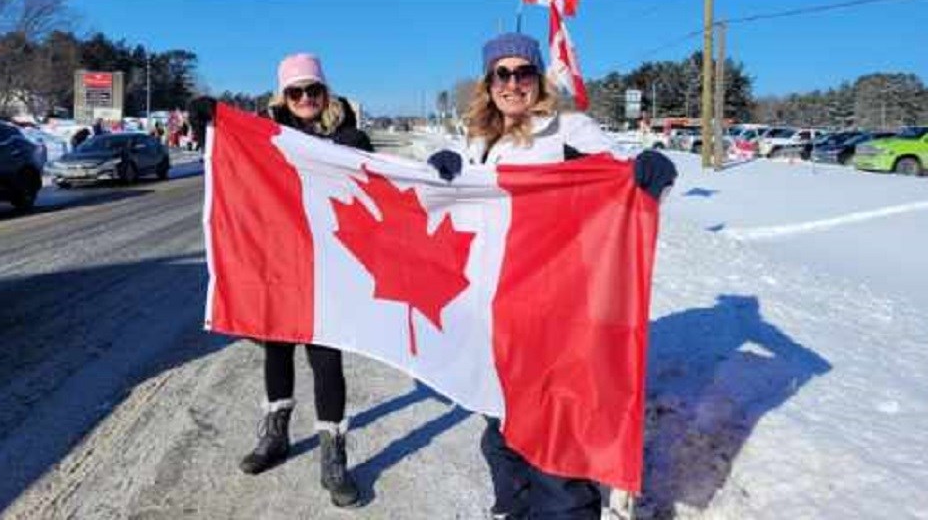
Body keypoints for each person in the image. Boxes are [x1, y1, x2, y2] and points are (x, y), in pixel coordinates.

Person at [427, 32, 676, 520]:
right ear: (488, 81)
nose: (513, 83)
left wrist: (651, 173)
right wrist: (442, 170)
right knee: (503, 434)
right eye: (503, 73)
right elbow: (457, 209)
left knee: (554, 450)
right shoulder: (479, 137)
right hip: (494, 314)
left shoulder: (567, 131)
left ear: (538, 79)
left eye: (523, 73)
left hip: (554, 316)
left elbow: (622, 185)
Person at [188, 53, 372, 508]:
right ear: (282, 96)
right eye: (296, 91)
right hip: (279, 263)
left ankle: (334, 456)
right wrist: (210, 119)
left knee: (327, 360)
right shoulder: (265, 136)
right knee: (277, 350)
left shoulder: (350, 136)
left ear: (325, 93)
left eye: (313, 90)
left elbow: (380, 191)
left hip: (330, 266)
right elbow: (227, 160)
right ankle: (276, 435)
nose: (305, 98)